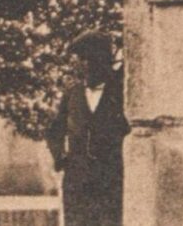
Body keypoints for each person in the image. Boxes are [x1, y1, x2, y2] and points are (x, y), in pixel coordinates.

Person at [46, 32, 125, 226]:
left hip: (109, 177)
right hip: (77, 180)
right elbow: (55, 130)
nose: (85, 66)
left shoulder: (119, 93)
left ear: (104, 62)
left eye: (91, 60)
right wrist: (60, 157)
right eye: (82, 60)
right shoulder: (72, 94)